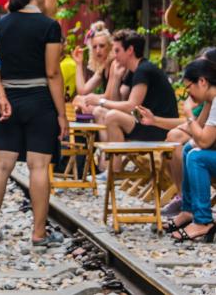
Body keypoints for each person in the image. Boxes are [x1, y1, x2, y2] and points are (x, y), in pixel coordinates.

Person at [0, 0, 67, 247]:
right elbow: (53, 73)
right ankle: (39, 233)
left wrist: (1, 95)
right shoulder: (50, 27)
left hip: (8, 102)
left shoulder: (2, 22)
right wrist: (62, 114)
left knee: (1, 165)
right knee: (38, 166)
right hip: (40, 101)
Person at [135, 47, 216, 217]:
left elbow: (200, 135)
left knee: (193, 154)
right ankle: (187, 205)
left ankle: (198, 214)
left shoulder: (211, 96)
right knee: (181, 142)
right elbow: (196, 126)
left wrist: (186, 115)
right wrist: (155, 120)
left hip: (209, 146)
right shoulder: (208, 99)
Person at [85, 30, 178, 174]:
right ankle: (108, 168)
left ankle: (113, 170)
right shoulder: (138, 70)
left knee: (112, 116)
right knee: (106, 113)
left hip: (160, 127)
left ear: (130, 50)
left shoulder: (143, 70)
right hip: (149, 123)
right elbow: (120, 102)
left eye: (117, 50)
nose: (114, 55)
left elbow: (131, 106)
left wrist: (101, 101)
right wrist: (115, 78)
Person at [166, 59, 216, 242]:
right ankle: (188, 211)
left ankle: (203, 221)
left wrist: (188, 114)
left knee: (197, 157)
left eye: (189, 88)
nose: (188, 94)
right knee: (189, 148)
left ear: (202, 82)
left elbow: (204, 140)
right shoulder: (212, 101)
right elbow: (200, 131)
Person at [71, 21, 115, 114]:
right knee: (78, 99)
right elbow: (82, 91)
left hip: (119, 110)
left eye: (102, 46)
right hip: (109, 108)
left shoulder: (114, 64)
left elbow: (111, 97)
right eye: (94, 47)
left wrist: (92, 98)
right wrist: (78, 64)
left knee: (82, 103)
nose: (98, 50)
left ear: (110, 46)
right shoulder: (103, 68)